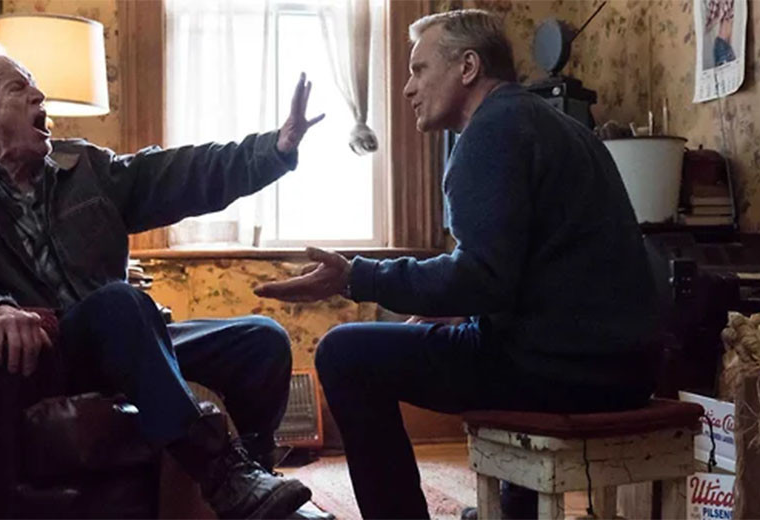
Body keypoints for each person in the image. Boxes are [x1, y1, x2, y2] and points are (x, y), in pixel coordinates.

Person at [0, 41, 324, 519]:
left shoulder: (83, 168)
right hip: (44, 357)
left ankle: (256, 487)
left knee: (261, 340)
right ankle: (223, 477)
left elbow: (180, 174)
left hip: (122, 341)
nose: (39, 96)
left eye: (35, 86)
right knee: (119, 303)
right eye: (18, 88)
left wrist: (274, 149)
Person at [255, 9, 662, 519]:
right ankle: (513, 511)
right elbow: (534, 268)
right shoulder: (556, 125)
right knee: (466, 333)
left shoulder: (490, 133)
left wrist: (357, 276)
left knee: (344, 352)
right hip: (625, 368)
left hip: (562, 372)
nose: (408, 87)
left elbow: (483, 279)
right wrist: (454, 307)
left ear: (468, 67)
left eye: (419, 69)